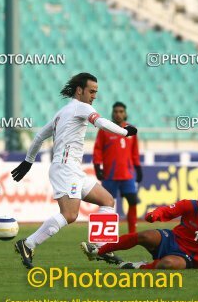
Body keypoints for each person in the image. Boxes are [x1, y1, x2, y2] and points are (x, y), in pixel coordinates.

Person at [10, 73, 137, 269]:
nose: (94, 95)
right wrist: (125, 131)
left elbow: (38, 137)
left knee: (107, 200)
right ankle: (28, 244)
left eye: (96, 92)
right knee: (69, 215)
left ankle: (100, 246)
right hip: (65, 169)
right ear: (80, 90)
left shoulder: (61, 113)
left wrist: (28, 161)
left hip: (72, 170)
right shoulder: (82, 107)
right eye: (92, 91)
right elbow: (102, 123)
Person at [81, 187, 198, 269]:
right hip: (171, 239)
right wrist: (156, 215)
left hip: (190, 257)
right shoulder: (192, 205)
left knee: (168, 265)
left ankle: (140, 267)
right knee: (145, 235)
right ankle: (99, 250)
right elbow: (169, 210)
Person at [93, 102, 142, 234]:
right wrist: (97, 166)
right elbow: (98, 149)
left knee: (132, 201)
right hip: (110, 175)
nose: (118, 114)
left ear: (125, 113)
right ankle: (105, 234)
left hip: (127, 175)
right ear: (112, 113)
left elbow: (135, 152)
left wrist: (138, 168)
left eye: (121, 111)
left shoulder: (132, 130)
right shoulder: (105, 130)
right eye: (116, 111)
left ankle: (132, 233)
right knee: (106, 203)